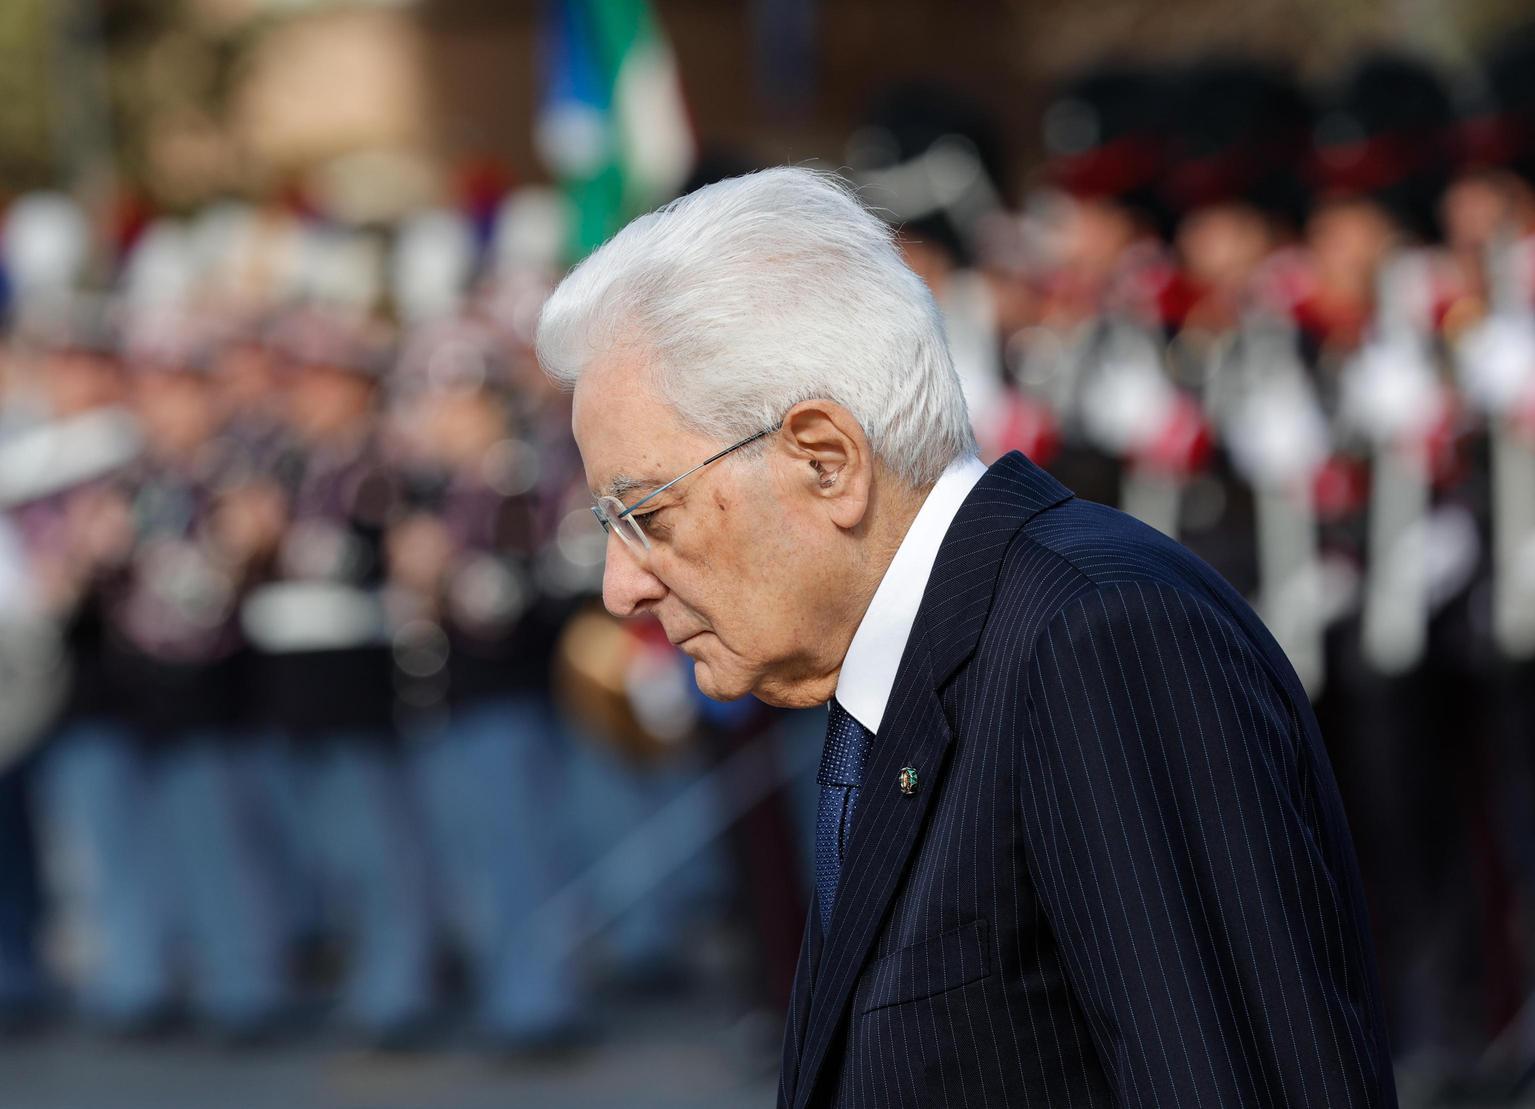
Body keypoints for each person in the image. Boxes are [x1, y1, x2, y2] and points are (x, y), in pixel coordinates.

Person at [537, 166, 1396, 1107]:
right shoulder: (907, 656)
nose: (622, 588)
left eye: (647, 514)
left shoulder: (1094, 640)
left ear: (826, 461)